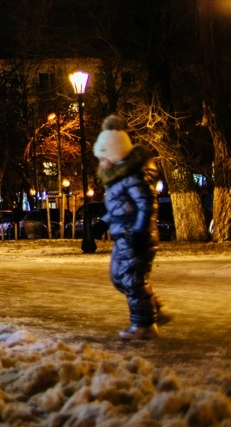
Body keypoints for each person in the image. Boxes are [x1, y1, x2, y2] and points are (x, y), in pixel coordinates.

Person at [96, 115, 169, 341]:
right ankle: (154, 310)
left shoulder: (133, 178)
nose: (100, 162)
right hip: (123, 237)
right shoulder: (119, 179)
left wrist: (140, 231)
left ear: (115, 153)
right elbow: (120, 209)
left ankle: (144, 326)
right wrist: (103, 223)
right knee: (119, 278)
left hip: (135, 237)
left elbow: (147, 205)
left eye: (103, 156)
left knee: (132, 280)